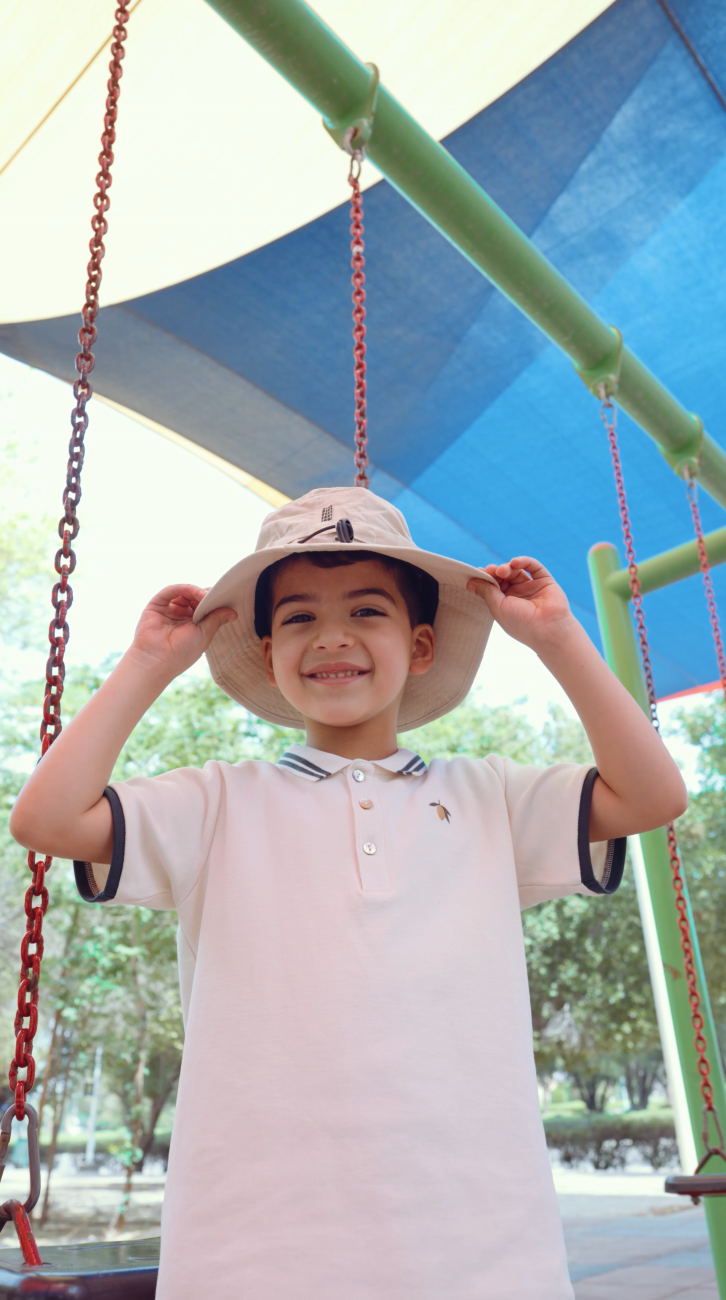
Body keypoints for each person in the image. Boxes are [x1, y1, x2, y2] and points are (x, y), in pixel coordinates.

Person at [10, 486, 686, 1299]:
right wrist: (149, 663)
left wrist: (557, 638)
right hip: (253, 1249)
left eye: (367, 610)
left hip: (480, 1244)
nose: (332, 635)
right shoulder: (216, 803)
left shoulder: (492, 798)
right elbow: (46, 819)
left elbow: (654, 795)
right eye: (299, 617)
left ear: (422, 644)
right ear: (268, 654)